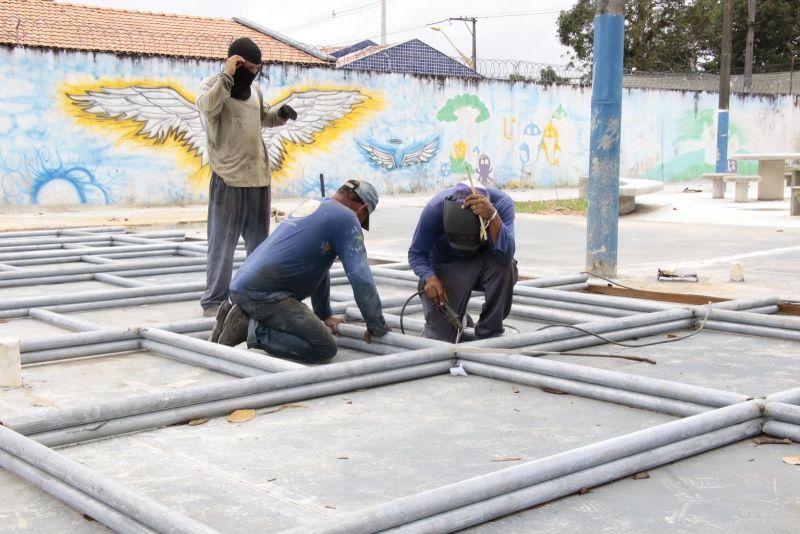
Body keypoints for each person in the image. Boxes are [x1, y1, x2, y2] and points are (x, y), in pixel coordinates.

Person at [211, 180, 390, 363]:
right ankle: (251, 328)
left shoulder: (316, 204)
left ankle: (237, 314)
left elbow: (320, 267)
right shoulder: (347, 217)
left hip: (243, 286)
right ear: (363, 209)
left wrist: (325, 314)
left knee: (314, 331)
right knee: (323, 347)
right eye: (363, 219)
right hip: (267, 295)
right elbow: (361, 277)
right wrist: (376, 325)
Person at [196, 36, 298, 317]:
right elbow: (208, 107)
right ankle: (214, 301)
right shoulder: (211, 88)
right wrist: (227, 74)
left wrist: (281, 115)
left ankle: (254, 295)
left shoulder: (255, 93)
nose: (253, 75)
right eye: (248, 69)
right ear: (235, 63)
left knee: (259, 247)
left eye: (257, 70)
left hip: (258, 178)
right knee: (222, 247)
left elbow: (262, 118)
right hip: (228, 179)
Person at [408, 181, 517, 342]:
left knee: (505, 267)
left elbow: (506, 255)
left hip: (483, 265)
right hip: (447, 265)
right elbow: (416, 253)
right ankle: (461, 316)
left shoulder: (501, 205)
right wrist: (428, 277)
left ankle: (490, 331)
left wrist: (494, 218)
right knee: (441, 342)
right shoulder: (436, 208)